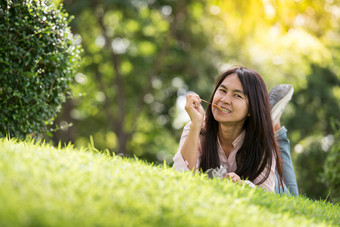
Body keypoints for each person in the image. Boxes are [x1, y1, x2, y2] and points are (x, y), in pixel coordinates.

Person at [173, 66, 298, 194]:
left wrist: (242, 184)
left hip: (274, 183)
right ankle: (271, 122)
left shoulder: (262, 142)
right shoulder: (196, 126)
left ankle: (274, 127)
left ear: (251, 109)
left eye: (237, 95)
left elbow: (265, 194)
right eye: (222, 90)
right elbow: (181, 175)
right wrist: (196, 124)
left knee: (292, 197)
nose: (224, 100)